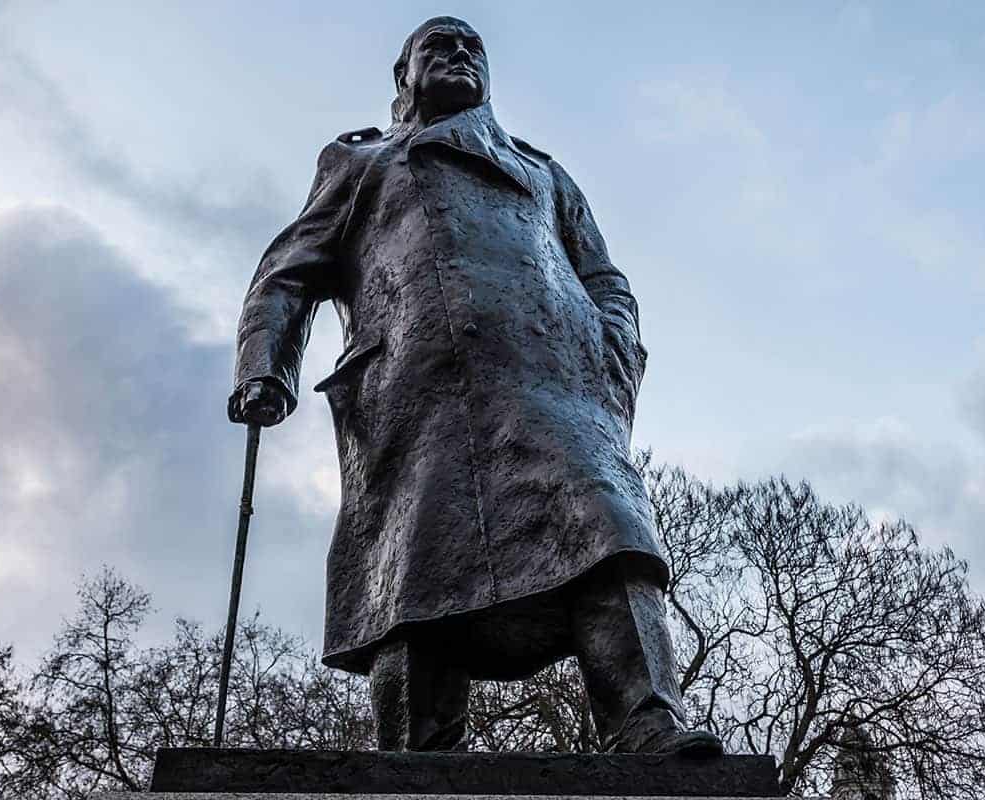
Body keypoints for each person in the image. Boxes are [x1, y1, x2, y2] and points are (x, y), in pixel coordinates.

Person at [228, 15, 720, 756]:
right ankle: (417, 754)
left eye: (472, 47)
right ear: (404, 77)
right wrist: (265, 365)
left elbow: (605, 280)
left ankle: (648, 722)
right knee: (415, 572)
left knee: (611, 529)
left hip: (557, 389)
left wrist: (609, 360)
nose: (459, 54)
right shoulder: (364, 163)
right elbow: (286, 273)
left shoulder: (544, 174)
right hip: (418, 398)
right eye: (439, 46)